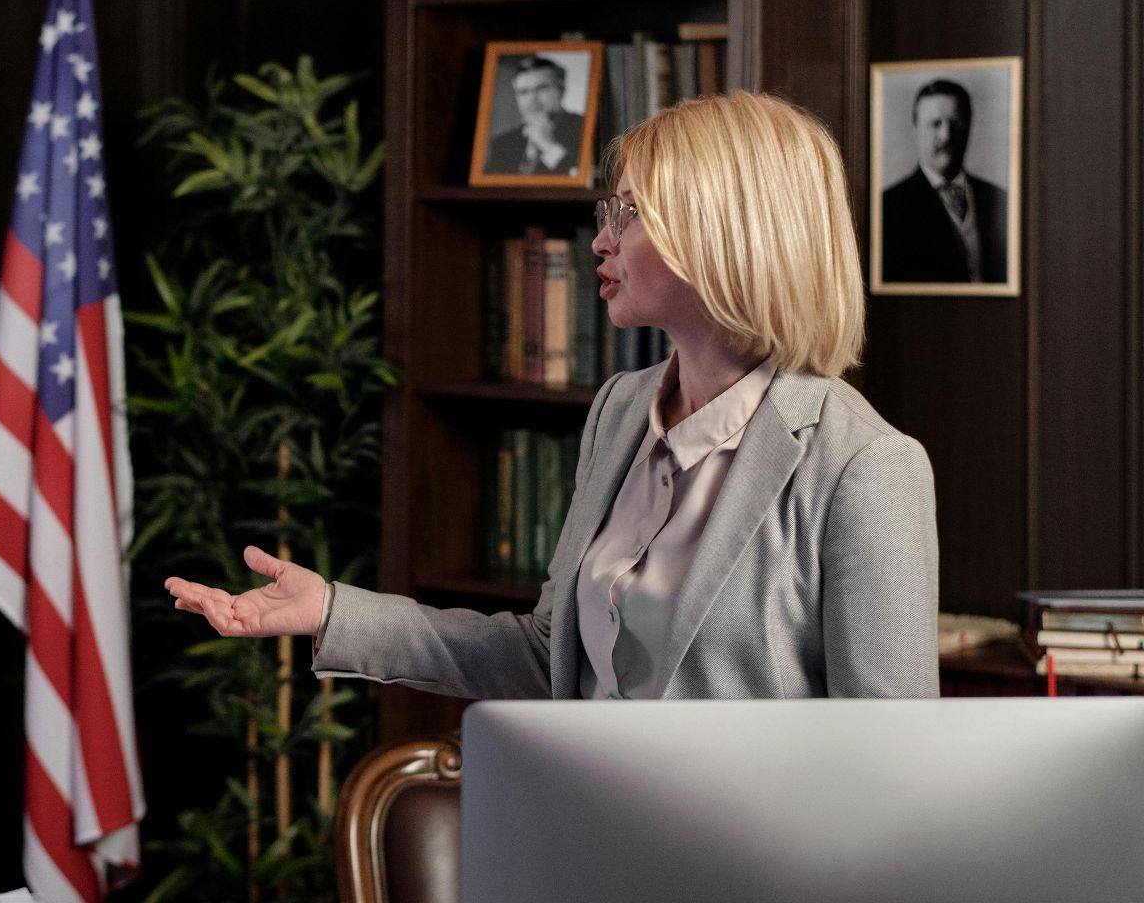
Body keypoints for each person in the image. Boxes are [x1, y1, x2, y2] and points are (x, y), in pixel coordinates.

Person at [169, 91, 938, 701]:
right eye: (610, 211)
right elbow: (550, 657)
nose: (601, 240)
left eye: (630, 213)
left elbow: (893, 773)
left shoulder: (865, 467)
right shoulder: (619, 412)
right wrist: (336, 612)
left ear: (728, 235)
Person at [881, 78, 1009, 283]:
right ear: (916, 129)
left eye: (955, 123)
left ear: (969, 126)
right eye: (935, 124)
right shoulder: (888, 207)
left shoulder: (1000, 199)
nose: (946, 135)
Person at [485, 54, 586, 176]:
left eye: (541, 88)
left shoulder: (584, 129)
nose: (532, 99)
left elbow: (584, 180)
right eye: (523, 92)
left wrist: (549, 146)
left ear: (561, 90)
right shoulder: (502, 143)